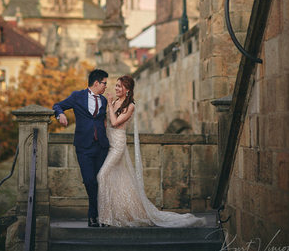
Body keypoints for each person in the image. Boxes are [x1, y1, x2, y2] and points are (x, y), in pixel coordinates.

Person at [97, 75, 206, 227]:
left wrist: (108, 103)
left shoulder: (131, 106)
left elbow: (115, 123)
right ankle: (117, 215)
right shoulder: (114, 102)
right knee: (118, 180)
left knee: (102, 175)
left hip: (118, 145)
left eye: (119, 86)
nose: (116, 88)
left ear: (127, 90)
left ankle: (105, 218)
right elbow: (106, 123)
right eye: (115, 86)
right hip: (109, 143)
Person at [53, 68, 109, 227]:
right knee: (89, 181)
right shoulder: (77, 96)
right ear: (96, 83)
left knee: (101, 182)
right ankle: (94, 214)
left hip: (101, 146)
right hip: (84, 147)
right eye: (104, 83)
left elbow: (103, 120)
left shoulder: (104, 100)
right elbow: (57, 105)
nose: (106, 86)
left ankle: (98, 217)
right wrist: (60, 114)